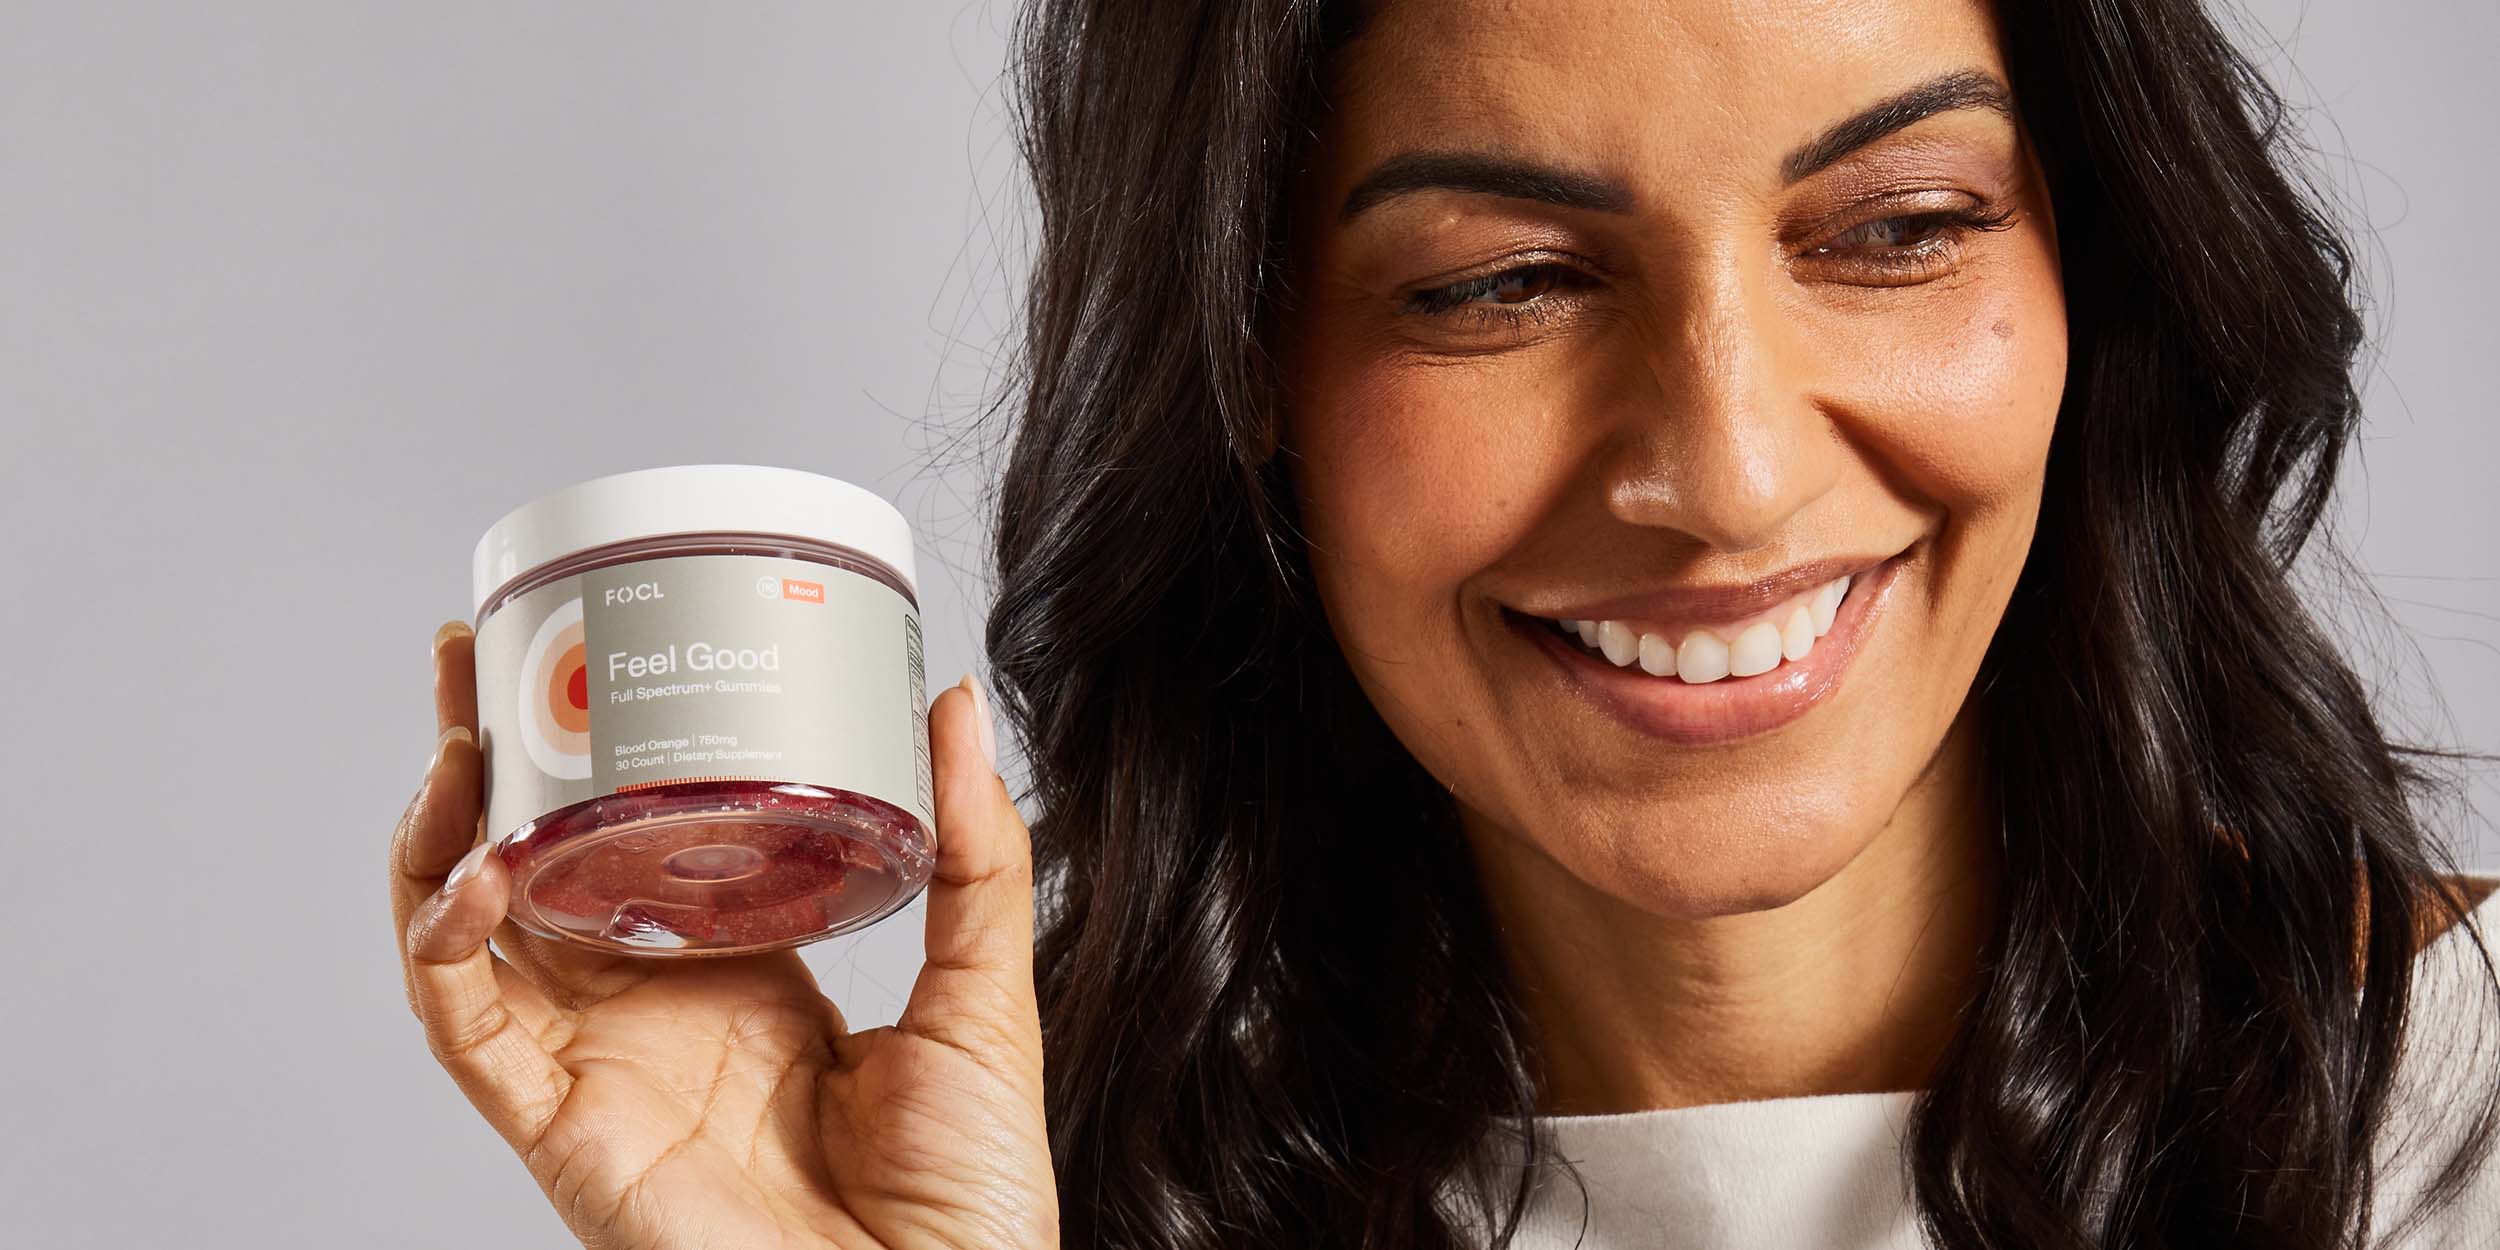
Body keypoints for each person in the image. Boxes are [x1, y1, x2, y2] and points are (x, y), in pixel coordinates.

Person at [388, 0, 2500, 1246]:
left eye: (1896, 229)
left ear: (2091, 279)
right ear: (1239, 384)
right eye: (1497, 282)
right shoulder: (999, 1192)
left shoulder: (2460, 1121)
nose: (1731, 470)